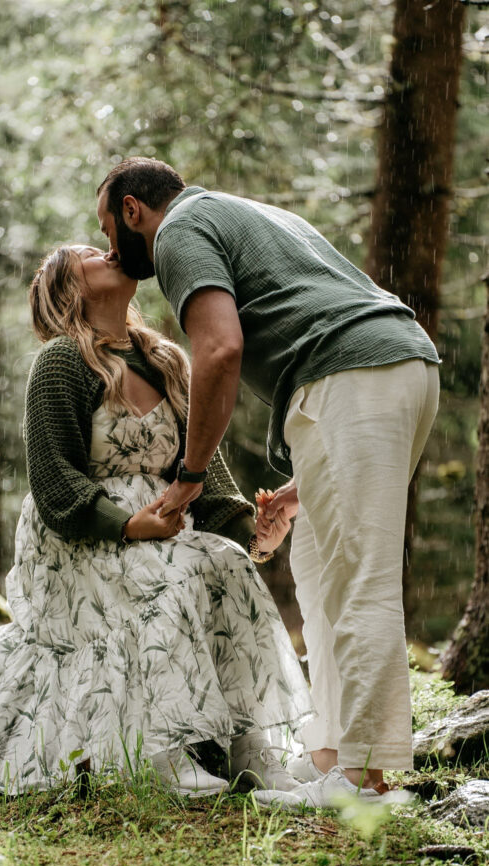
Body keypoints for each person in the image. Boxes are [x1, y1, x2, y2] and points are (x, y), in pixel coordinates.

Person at [96, 157, 440, 806]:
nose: (112, 247)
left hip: (354, 374)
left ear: (132, 210)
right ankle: (332, 754)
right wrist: (300, 486)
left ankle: (365, 781)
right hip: (381, 368)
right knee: (315, 564)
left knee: (356, 575)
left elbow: (219, 349)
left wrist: (190, 476)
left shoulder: (177, 230)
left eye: (108, 227)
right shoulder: (248, 212)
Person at [0, 243, 314, 797]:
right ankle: (163, 751)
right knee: (163, 577)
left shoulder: (165, 360)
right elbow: (52, 477)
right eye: (88, 253)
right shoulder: (62, 361)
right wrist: (129, 526)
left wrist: (256, 537)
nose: (108, 250)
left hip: (166, 526)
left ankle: (250, 746)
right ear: (70, 287)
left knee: (229, 565)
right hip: (81, 535)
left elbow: (206, 471)